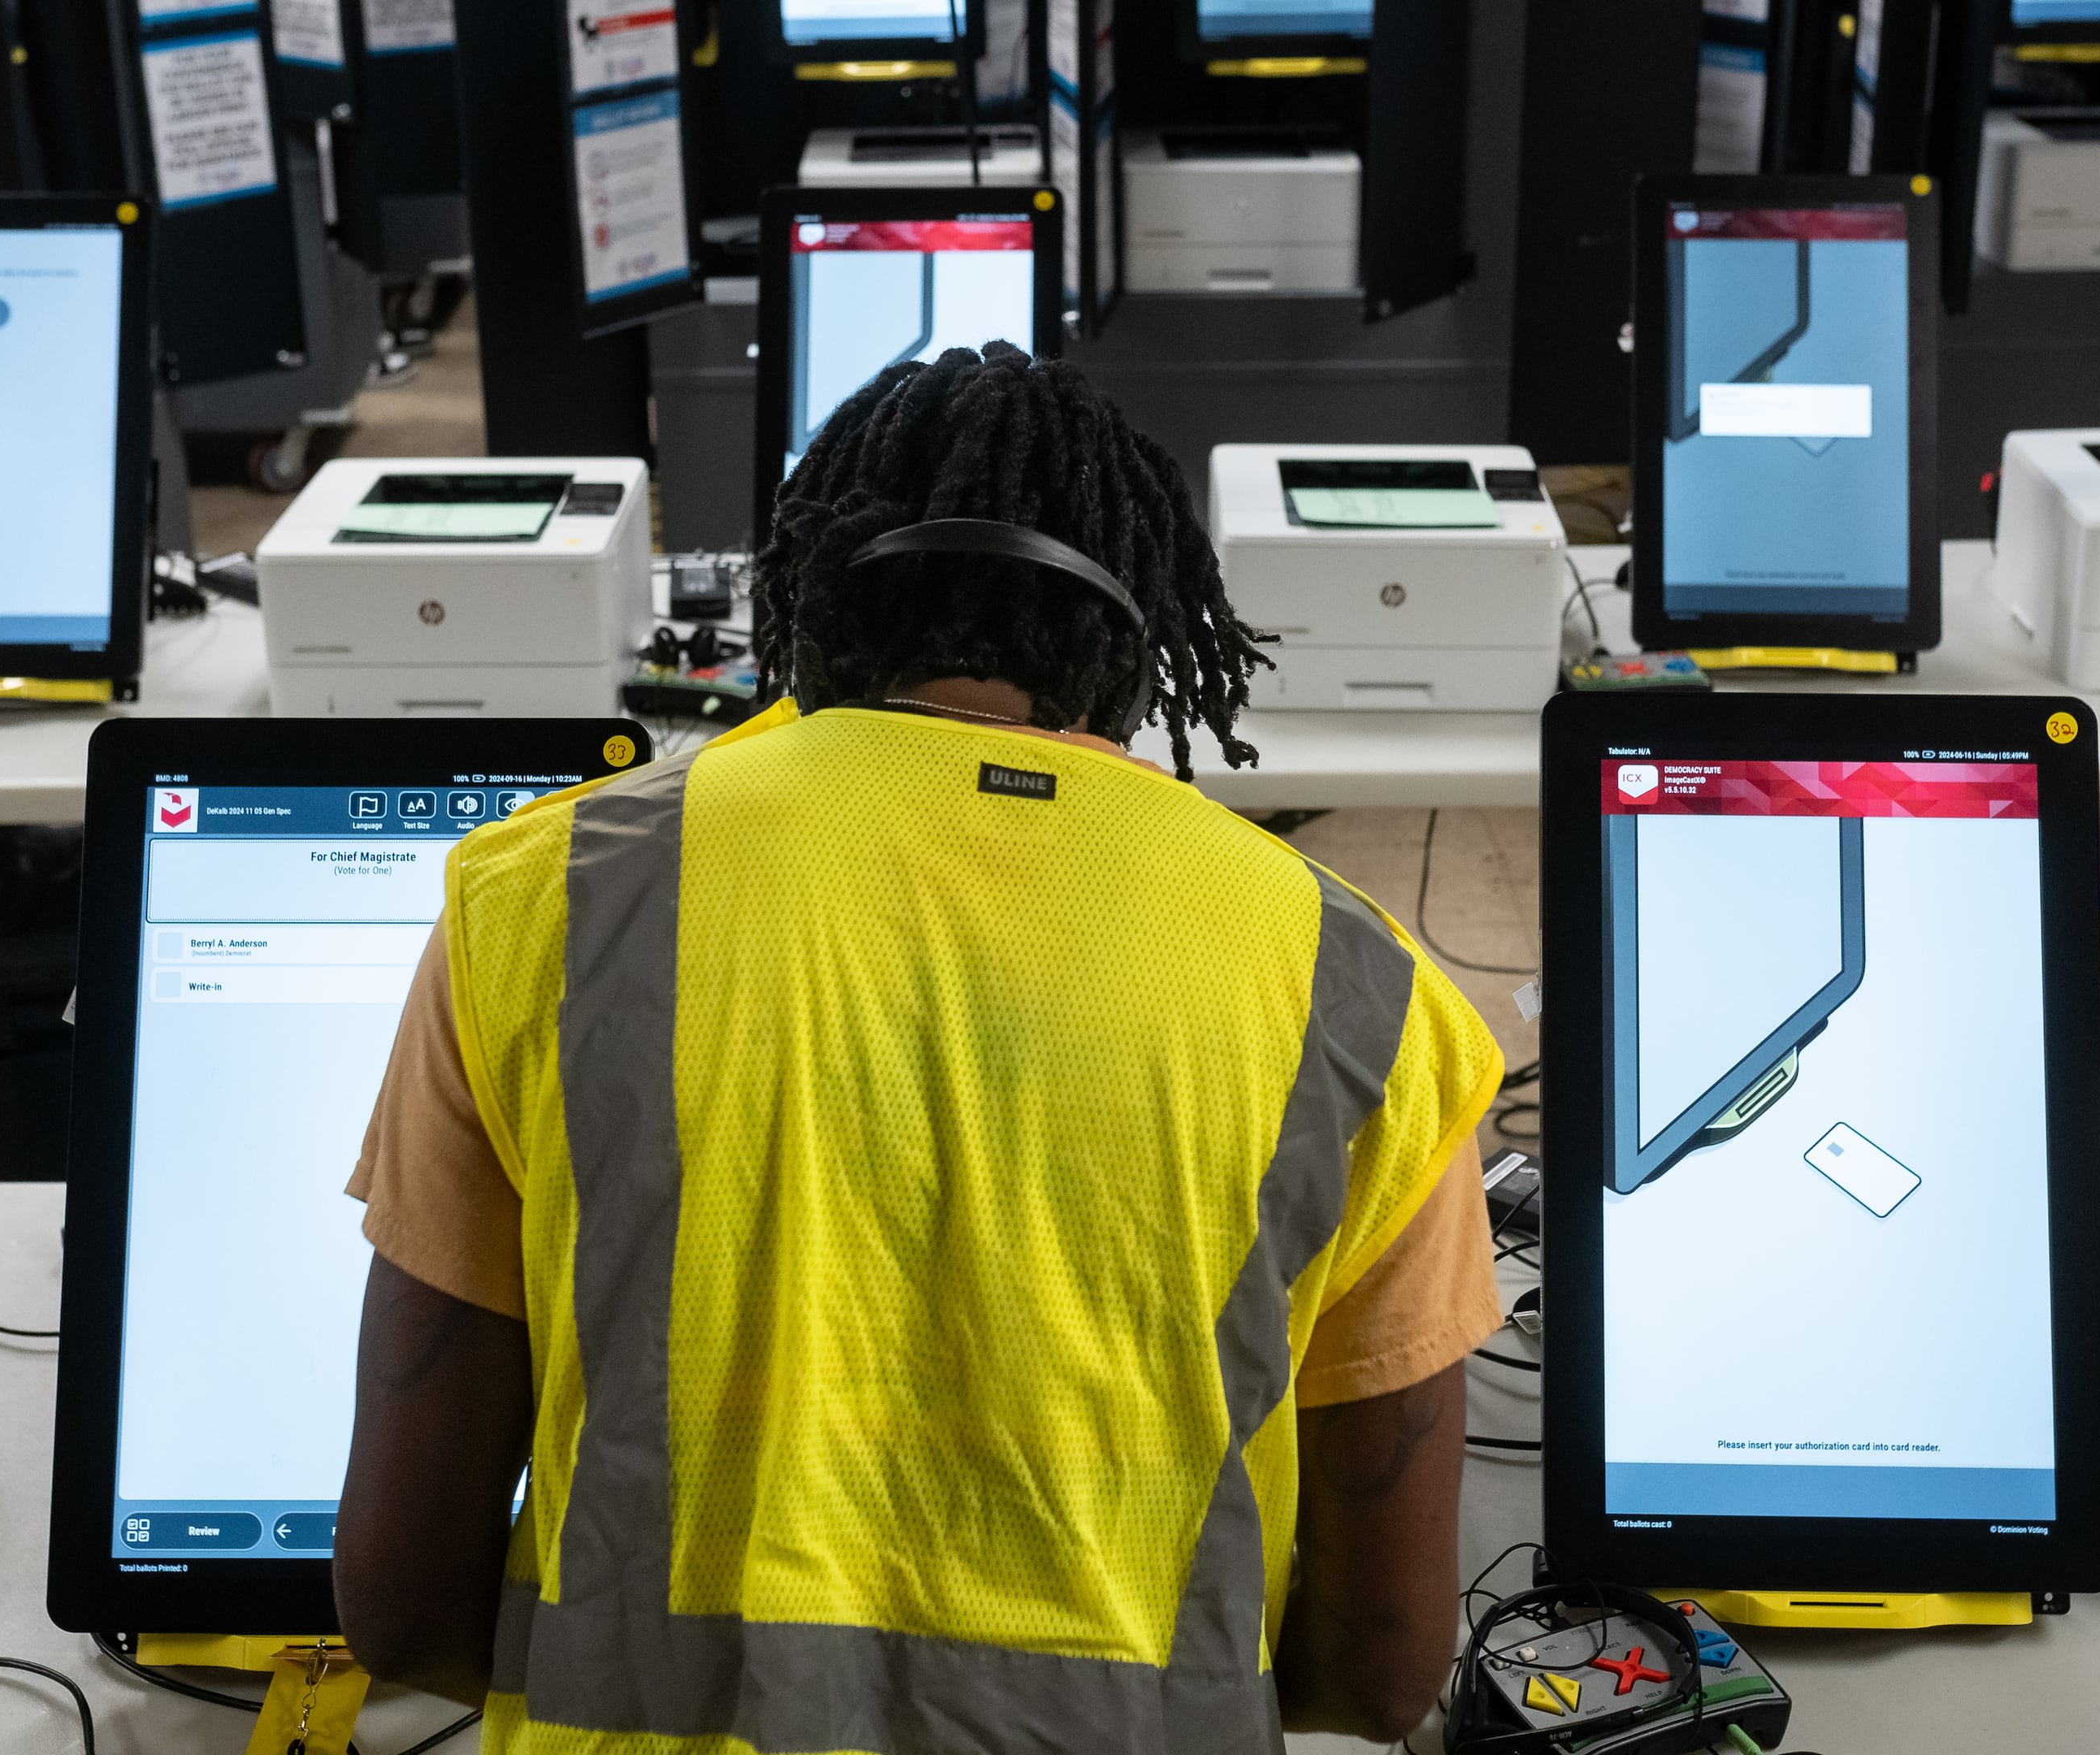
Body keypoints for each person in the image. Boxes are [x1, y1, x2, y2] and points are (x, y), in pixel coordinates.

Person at [334, 341, 1509, 1751]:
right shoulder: (1363, 994)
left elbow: (402, 1608)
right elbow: (1384, 1673)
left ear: (805, 600)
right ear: (1145, 646)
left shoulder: (545, 902)